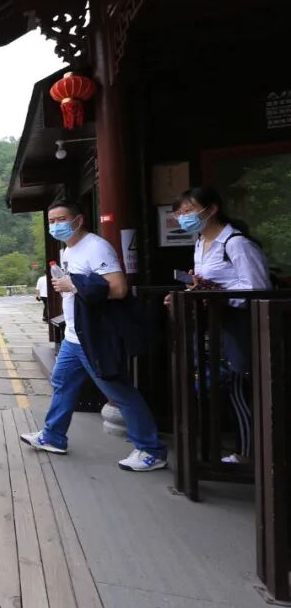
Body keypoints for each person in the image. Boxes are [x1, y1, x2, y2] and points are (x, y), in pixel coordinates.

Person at [21, 199, 167, 472]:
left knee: (119, 392)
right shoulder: (67, 249)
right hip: (73, 336)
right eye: (51, 221)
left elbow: (118, 288)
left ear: (78, 220)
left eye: (61, 219)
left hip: (94, 337)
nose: (56, 225)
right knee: (62, 383)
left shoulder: (96, 247)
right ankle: (53, 436)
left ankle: (151, 450)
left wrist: (73, 284)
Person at [172, 187, 271, 464]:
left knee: (240, 388)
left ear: (212, 209)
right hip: (216, 324)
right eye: (179, 213)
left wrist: (216, 293)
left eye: (189, 211)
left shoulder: (236, 243)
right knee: (223, 386)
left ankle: (249, 453)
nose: (183, 217)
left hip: (240, 325)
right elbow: (211, 282)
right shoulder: (200, 242)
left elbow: (257, 288)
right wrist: (196, 287)